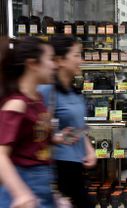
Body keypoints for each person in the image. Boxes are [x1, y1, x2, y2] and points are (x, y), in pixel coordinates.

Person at [38, 35, 97, 208]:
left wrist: (89, 149)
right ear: (60, 60)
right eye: (77, 55)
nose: (81, 60)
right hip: (59, 167)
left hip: (75, 165)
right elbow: (37, 132)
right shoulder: (47, 90)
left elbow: (77, 127)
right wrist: (56, 137)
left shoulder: (72, 91)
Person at [0, 37, 56, 208]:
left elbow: (36, 144)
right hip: (23, 189)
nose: (54, 65)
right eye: (50, 59)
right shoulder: (16, 104)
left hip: (40, 186)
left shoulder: (37, 100)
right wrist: (20, 194)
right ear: (33, 64)